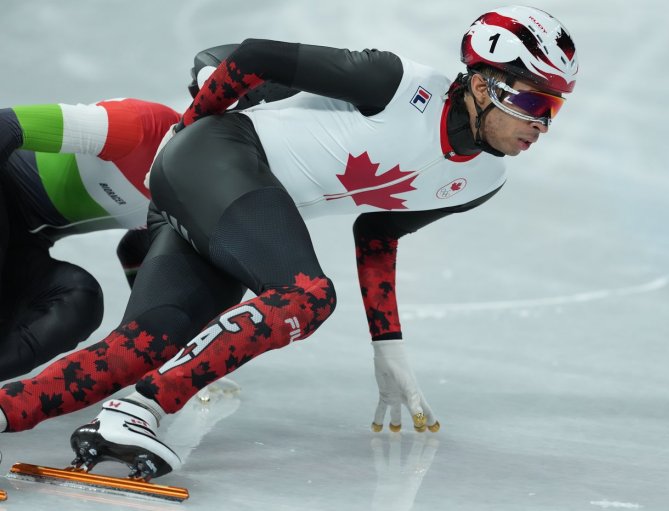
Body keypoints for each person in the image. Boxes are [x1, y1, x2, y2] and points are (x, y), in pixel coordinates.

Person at [0, 6, 578, 480]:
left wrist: (389, 347)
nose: (541, 125)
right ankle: (145, 406)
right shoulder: (397, 83)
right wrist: (186, 128)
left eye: (553, 109)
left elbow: (377, 235)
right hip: (221, 155)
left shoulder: (482, 179)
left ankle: (26, 411)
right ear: (479, 84)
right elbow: (254, 56)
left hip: (233, 206)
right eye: (532, 102)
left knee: (139, 347)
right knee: (307, 295)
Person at [0, 97, 181, 381]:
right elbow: (6, 125)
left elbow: (136, 250)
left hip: (26, 244)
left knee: (81, 302)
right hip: (7, 185)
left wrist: (176, 355)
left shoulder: (201, 199)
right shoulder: (144, 125)